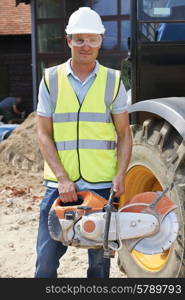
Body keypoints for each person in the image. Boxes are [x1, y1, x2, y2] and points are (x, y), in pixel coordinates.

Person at [35, 7, 132, 278]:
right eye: (79, 39)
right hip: (59, 187)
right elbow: (43, 133)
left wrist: (121, 174)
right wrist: (63, 179)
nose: (86, 46)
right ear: (69, 41)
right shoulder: (50, 79)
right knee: (45, 262)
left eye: (92, 39)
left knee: (100, 266)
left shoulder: (113, 81)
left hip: (102, 185)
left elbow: (124, 133)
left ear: (101, 41)